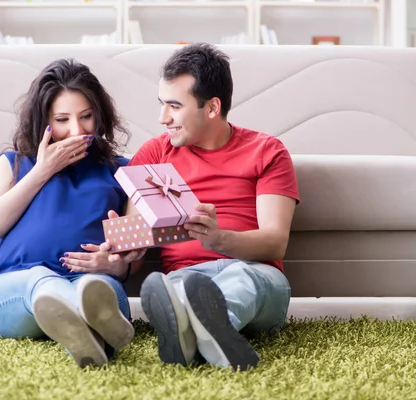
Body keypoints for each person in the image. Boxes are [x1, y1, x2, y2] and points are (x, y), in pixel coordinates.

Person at [127, 43, 300, 371]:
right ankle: (205, 335)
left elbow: (275, 241)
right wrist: (121, 247)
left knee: (240, 280)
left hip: (256, 274)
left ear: (211, 107)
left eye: (174, 106)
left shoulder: (267, 151)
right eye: (162, 104)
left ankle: (192, 332)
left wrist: (218, 239)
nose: (162, 118)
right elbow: (135, 241)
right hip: (185, 275)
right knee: (177, 290)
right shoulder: (153, 154)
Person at [0, 58, 144, 368]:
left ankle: (86, 339)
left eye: (86, 117)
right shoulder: (13, 163)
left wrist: (113, 267)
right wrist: (43, 171)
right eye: (63, 119)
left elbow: (131, 261)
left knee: (97, 290)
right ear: (43, 121)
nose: (77, 131)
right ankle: (81, 317)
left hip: (92, 284)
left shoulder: (122, 171)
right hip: (15, 293)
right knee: (39, 280)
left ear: (100, 115)